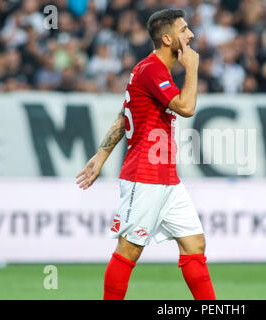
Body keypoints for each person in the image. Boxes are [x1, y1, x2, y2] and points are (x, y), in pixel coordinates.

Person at [75, 9, 216, 300]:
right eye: (184, 29)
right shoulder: (151, 69)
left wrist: (101, 156)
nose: (190, 35)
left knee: (194, 245)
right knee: (129, 250)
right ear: (167, 38)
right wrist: (193, 68)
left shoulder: (151, 71)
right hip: (145, 176)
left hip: (167, 179)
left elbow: (122, 115)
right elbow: (187, 108)